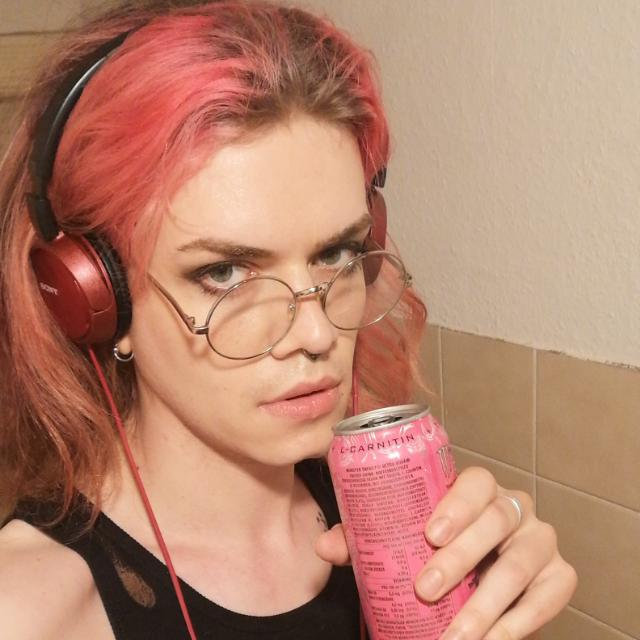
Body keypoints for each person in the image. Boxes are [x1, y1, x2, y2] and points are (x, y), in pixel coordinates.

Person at [0, 1, 577, 639]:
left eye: (338, 254)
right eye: (225, 273)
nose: (317, 333)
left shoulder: (381, 523)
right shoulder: (31, 609)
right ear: (95, 298)